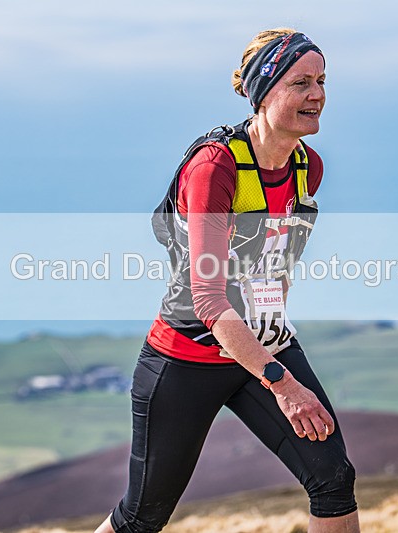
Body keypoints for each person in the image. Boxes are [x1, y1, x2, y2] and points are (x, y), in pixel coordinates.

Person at [94, 28, 359, 533]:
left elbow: (276, 261)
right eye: (301, 82)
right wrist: (283, 385)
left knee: (333, 479)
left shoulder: (308, 166)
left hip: (263, 344)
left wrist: (274, 329)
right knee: (141, 518)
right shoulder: (215, 167)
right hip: (186, 359)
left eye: (322, 81)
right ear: (265, 91)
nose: (318, 94)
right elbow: (208, 298)